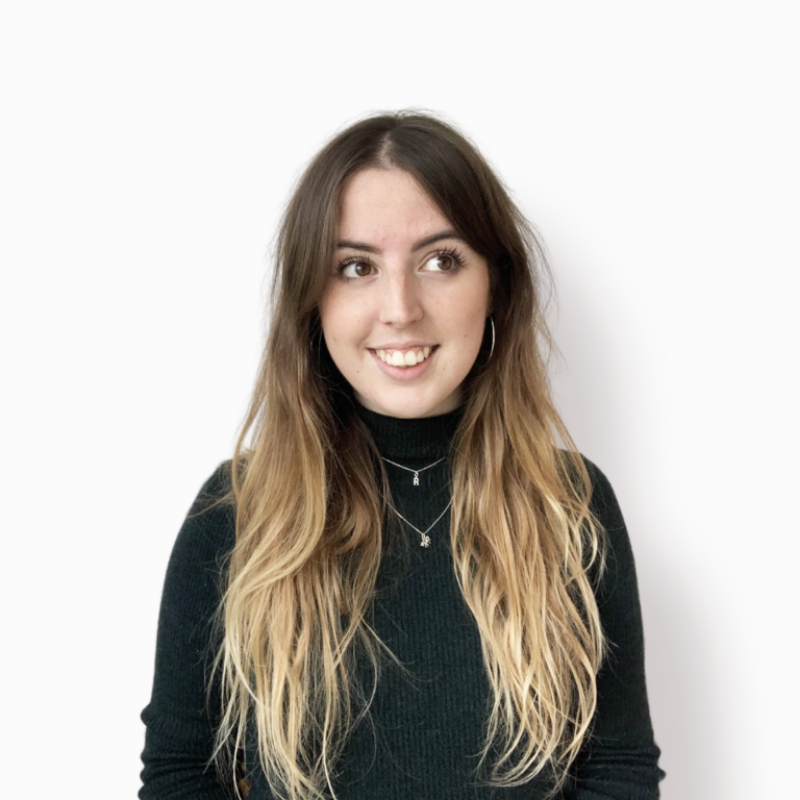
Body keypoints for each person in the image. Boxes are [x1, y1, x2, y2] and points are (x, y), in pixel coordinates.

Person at [139, 111, 665, 800]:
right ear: (311, 299)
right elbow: (181, 776)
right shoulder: (237, 513)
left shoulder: (570, 503)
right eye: (356, 267)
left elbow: (619, 770)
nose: (400, 308)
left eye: (440, 261)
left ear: (496, 283)